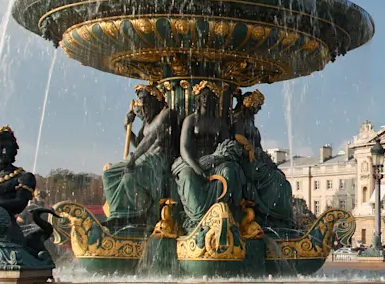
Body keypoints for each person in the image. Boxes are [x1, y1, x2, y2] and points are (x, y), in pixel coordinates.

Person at [102, 83, 178, 230]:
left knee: (129, 178)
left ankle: (143, 213)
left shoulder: (167, 114)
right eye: (141, 101)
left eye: (145, 101)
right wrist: (127, 127)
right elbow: (139, 144)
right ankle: (117, 215)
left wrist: (132, 159)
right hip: (144, 158)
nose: (142, 106)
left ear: (156, 99)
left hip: (159, 159)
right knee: (108, 174)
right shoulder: (147, 123)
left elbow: (150, 138)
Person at [172, 81, 247, 230]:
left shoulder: (220, 123)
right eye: (203, 96)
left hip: (216, 162)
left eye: (210, 96)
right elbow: (184, 148)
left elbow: (228, 146)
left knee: (230, 170)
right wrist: (196, 167)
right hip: (191, 161)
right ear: (198, 98)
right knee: (187, 176)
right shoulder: (191, 120)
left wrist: (215, 158)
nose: (206, 99)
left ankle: (221, 213)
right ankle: (197, 217)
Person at [233, 90, 295, 228]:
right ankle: (269, 215)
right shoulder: (238, 119)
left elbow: (259, 147)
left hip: (256, 160)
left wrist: (270, 163)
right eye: (257, 105)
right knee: (276, 180)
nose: (259, 109)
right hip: (244, 160)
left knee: (282, 180)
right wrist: (248, 146)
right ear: (249, 103)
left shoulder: (251, 123)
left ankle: (279, 219)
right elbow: (237, 135)